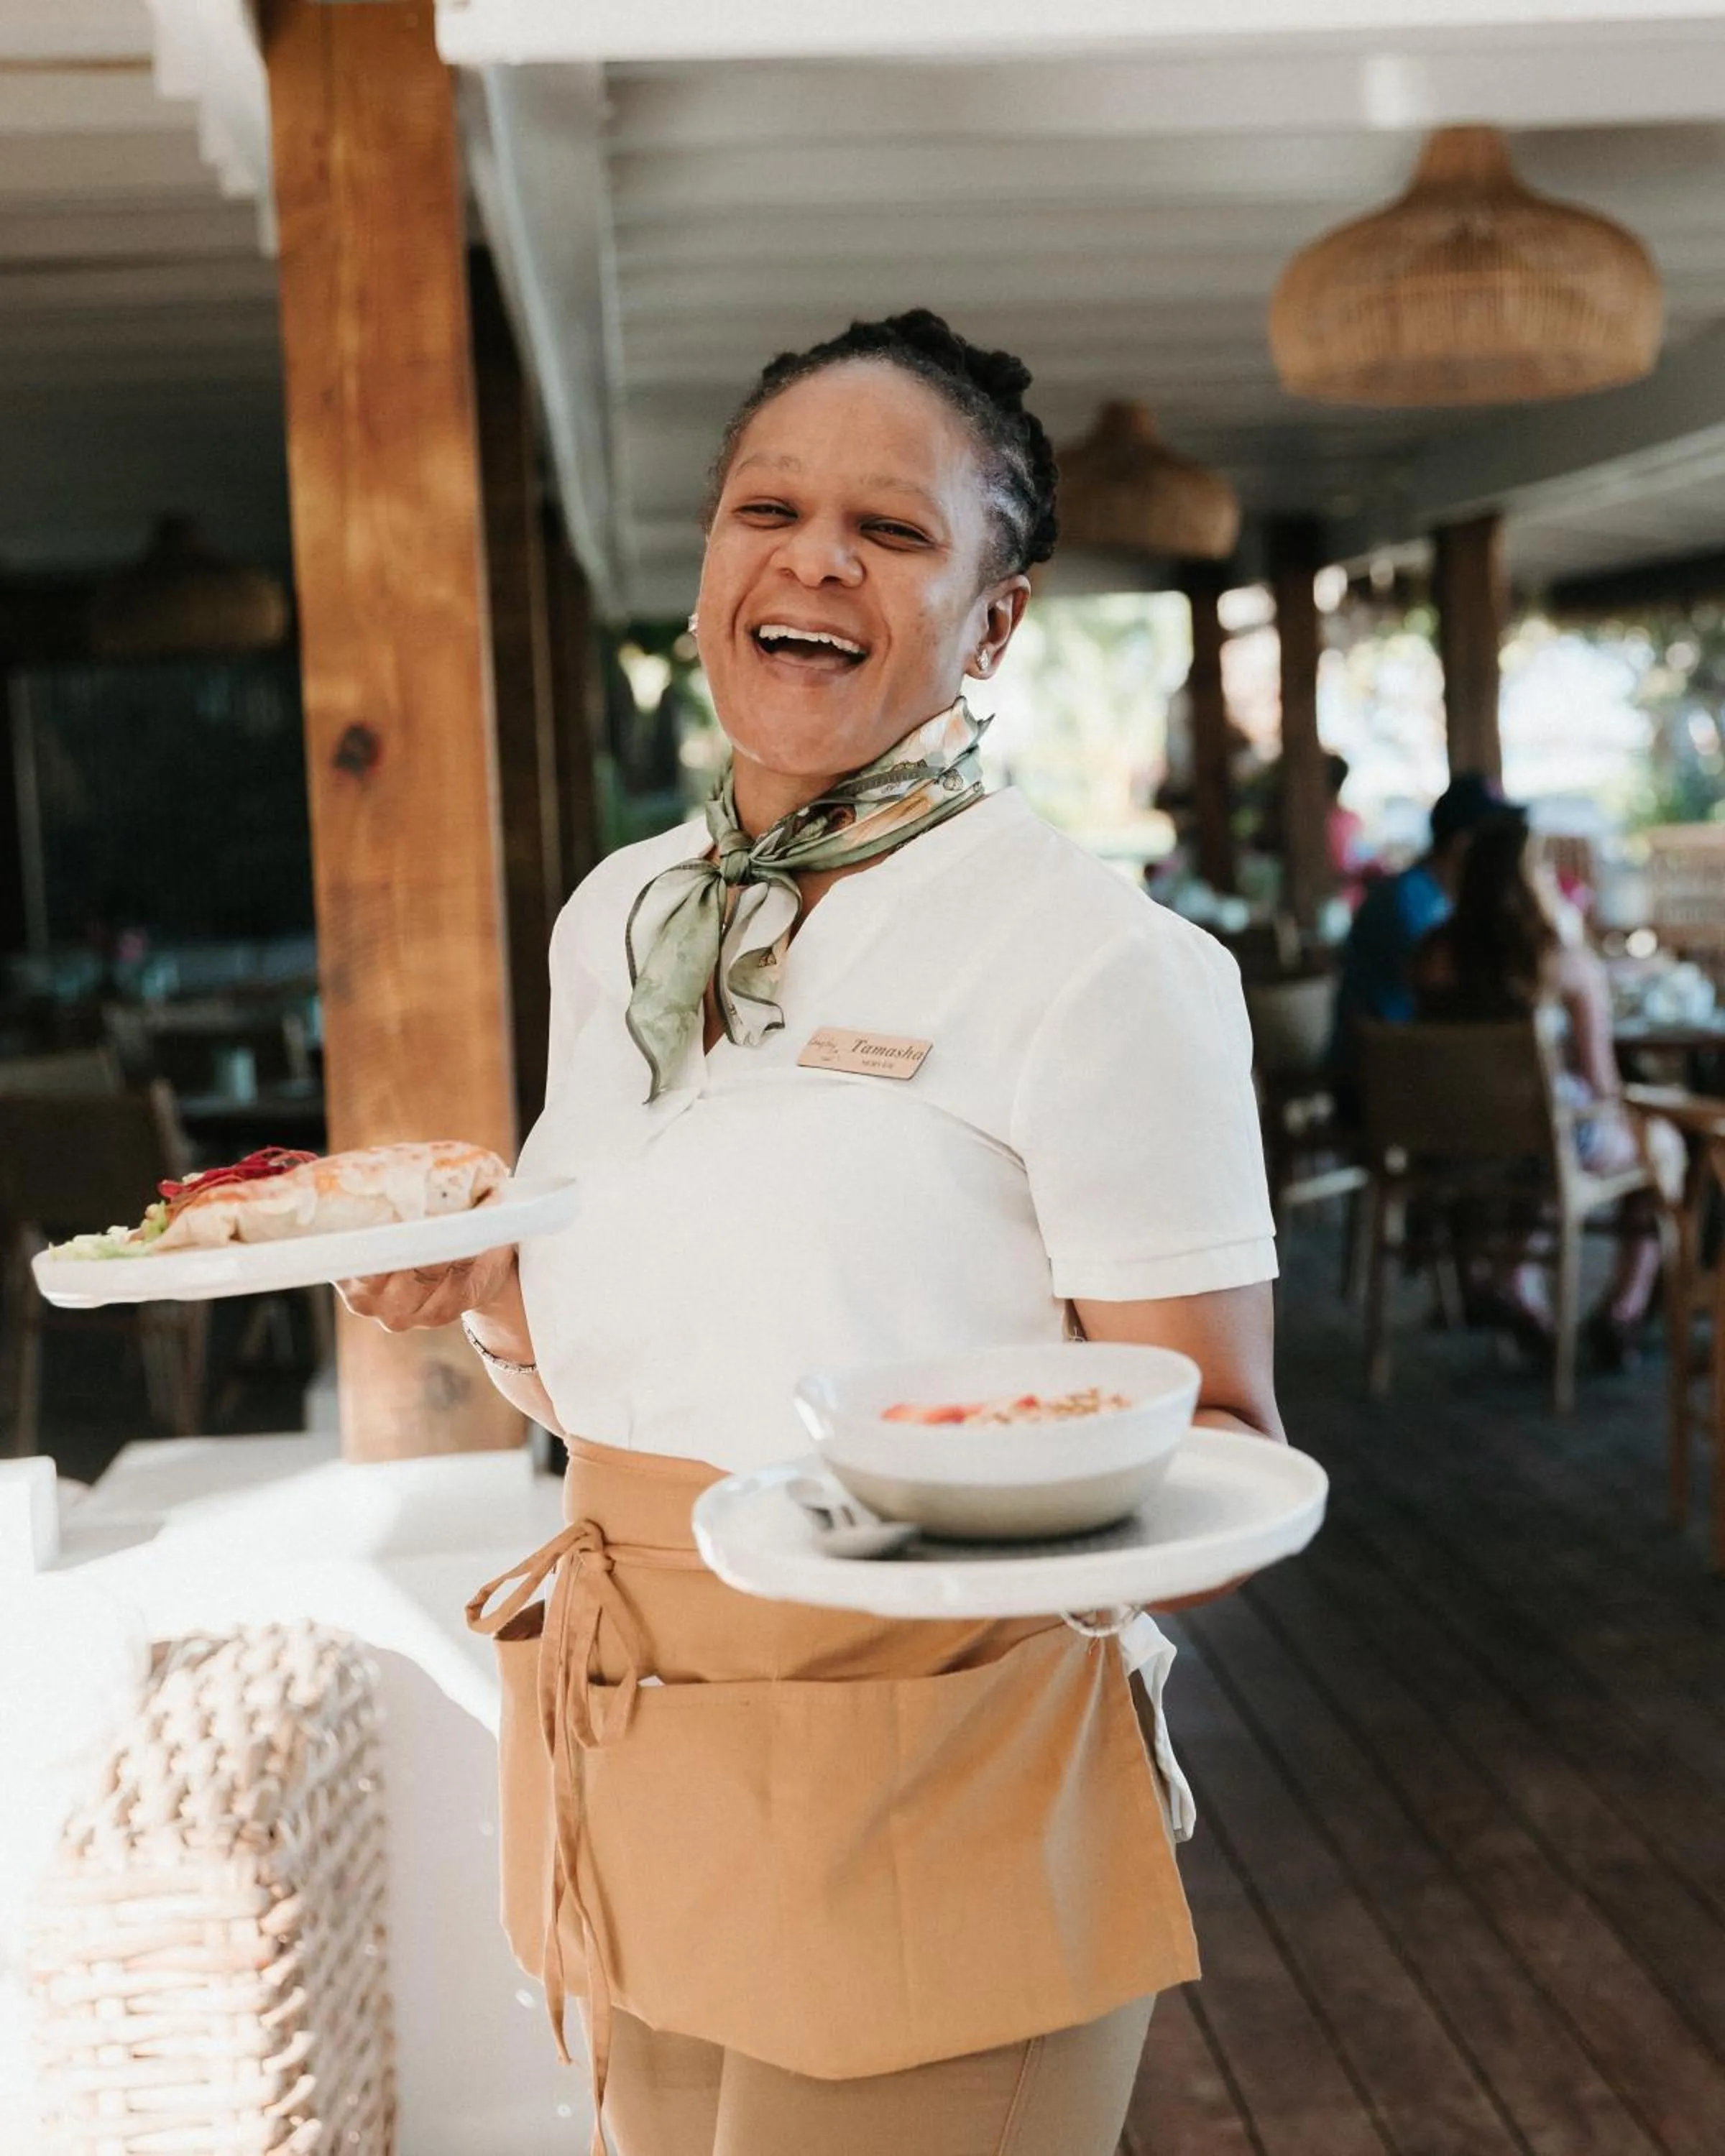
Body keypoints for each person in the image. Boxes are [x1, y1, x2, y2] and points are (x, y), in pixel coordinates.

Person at [339, 309, 1282, 2156]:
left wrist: (917, 1549)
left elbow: (1220, 1458)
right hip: (632, 1741)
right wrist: (487, 1295)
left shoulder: (1100, 962)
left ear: (990, 622)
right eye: (765, 505)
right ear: (707, 569)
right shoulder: (614, 916)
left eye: (895, 528)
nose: (814, 555)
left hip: (930, 1757)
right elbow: (646, 1330)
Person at [1411, 808, 1681, 1368]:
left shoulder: (1431, 957)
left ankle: (1520, 1285)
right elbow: (1603, 1084)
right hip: (1544, 1146)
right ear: (1531, 878)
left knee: (1543, 1142)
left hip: (1451, 1145)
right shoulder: (1562, 961)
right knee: (1662, 1144)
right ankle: (1624, 1310)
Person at [1328, 768, 1504, 1084]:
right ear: (1465, 845)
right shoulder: (1405, 901)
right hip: (1377, 1081)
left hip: (1411, 1064)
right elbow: (1445, 995)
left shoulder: (1435, 895)